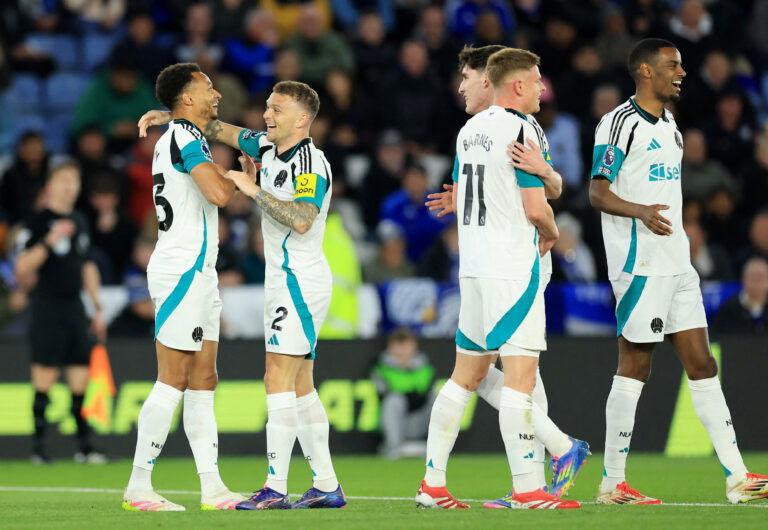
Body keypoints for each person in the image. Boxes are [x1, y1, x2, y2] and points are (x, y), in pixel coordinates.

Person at [136, 80, 345, 510]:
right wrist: (172, 118)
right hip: (278, 276)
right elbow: (218, 130)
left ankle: (275, 486)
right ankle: (325, 484)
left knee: (277, 380)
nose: (267, 115)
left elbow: (302, 220)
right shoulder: (267, 147)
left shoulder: (310, 162)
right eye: (267, 106)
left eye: (278, 109)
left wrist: (253, 190)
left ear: (303, 119)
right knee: (301, 385)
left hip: (300, 280)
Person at [588, 38, 768, 505]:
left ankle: (737, 477)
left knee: (703, 364)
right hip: (639, 261)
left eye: (682, 65)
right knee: (636, 364)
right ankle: (612, 481)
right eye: (673, 65)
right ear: (645, 71)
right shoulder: (618, 123)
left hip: (676, 260)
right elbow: (598, 192)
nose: (681, 72)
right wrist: (641, 212)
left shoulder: (670, 124)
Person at [416, 46, 584, 511]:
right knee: (520, 381)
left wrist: (548, 177)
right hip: (513, 267)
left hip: (472, 268)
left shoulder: (470, 129)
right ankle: (529, 489)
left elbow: (471, 189)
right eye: (535, 81)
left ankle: (433, 485)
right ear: (516, 85)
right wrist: (552, 233)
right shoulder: (523, 127)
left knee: (464, 376)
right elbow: (536, 207)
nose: (542, 88)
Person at [122, 63, 242, 512]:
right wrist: (235, 177)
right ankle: (138, 486)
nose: (216, 92)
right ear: (187, 98)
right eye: (207, 86)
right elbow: (217, 194)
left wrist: (166, 116)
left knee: (203, 379)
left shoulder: (183, 133)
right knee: (172, 379)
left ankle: (212, 487)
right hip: (182, 270)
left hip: (201, 271)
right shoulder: (186, 138)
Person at [13, 162, 107, 465]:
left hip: (74, 308)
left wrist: (97, 307)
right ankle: (39, 449)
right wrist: (49, 240)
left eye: (75, 181)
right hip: (46, 307)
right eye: (64, 180)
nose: (71, 186)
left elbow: (87, 265)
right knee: (45, 379)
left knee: (80, 379)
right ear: (50, 185)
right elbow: (22, 267)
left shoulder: (80, 220)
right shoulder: (36, 222)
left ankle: (85, 447)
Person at [372, 328, 435, 459]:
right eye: (398, 346)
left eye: (406, 346)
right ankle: (394, 448)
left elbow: (423, 395)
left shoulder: (425, 367)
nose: (402, 351)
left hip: (419, 420)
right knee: (393, 400)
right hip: (394, 422)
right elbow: (383, 394)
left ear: (414, 347)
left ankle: (436, 447)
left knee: (439, 398)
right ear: (390, 348)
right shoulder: (381, 368)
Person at [712, 257, 768, 335]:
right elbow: (716, 340)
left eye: (760, 277)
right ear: (743, 280)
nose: (756, 282)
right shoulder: (728, 311)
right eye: (752, 277)